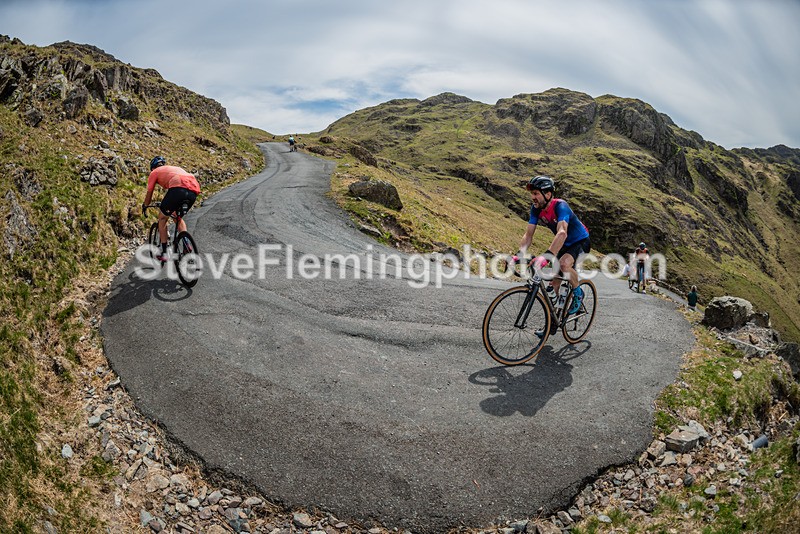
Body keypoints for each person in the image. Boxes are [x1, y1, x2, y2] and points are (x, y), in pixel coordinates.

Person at [517, 175, 591, 315]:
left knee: (564, 265)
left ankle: (578, 294)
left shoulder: (560, 206)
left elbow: (562, 232)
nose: (533, 197)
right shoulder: (536, 209)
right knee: (554, 284)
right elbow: (528, 235)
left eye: (536, 193)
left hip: (581, 241)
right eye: (531, 194)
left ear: (548, 194)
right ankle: (552, 322)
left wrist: (547, 256)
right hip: (564, 244)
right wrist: (519, 254)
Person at [141, 156, 201, 261]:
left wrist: (145, 205)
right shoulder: (172, 168)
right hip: (194, 189)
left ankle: (164, 253)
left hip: (178, 189)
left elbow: (149, 192)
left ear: (153, 168)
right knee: (177, 217)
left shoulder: (154, 172)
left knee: (162, 218)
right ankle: (186, 244)